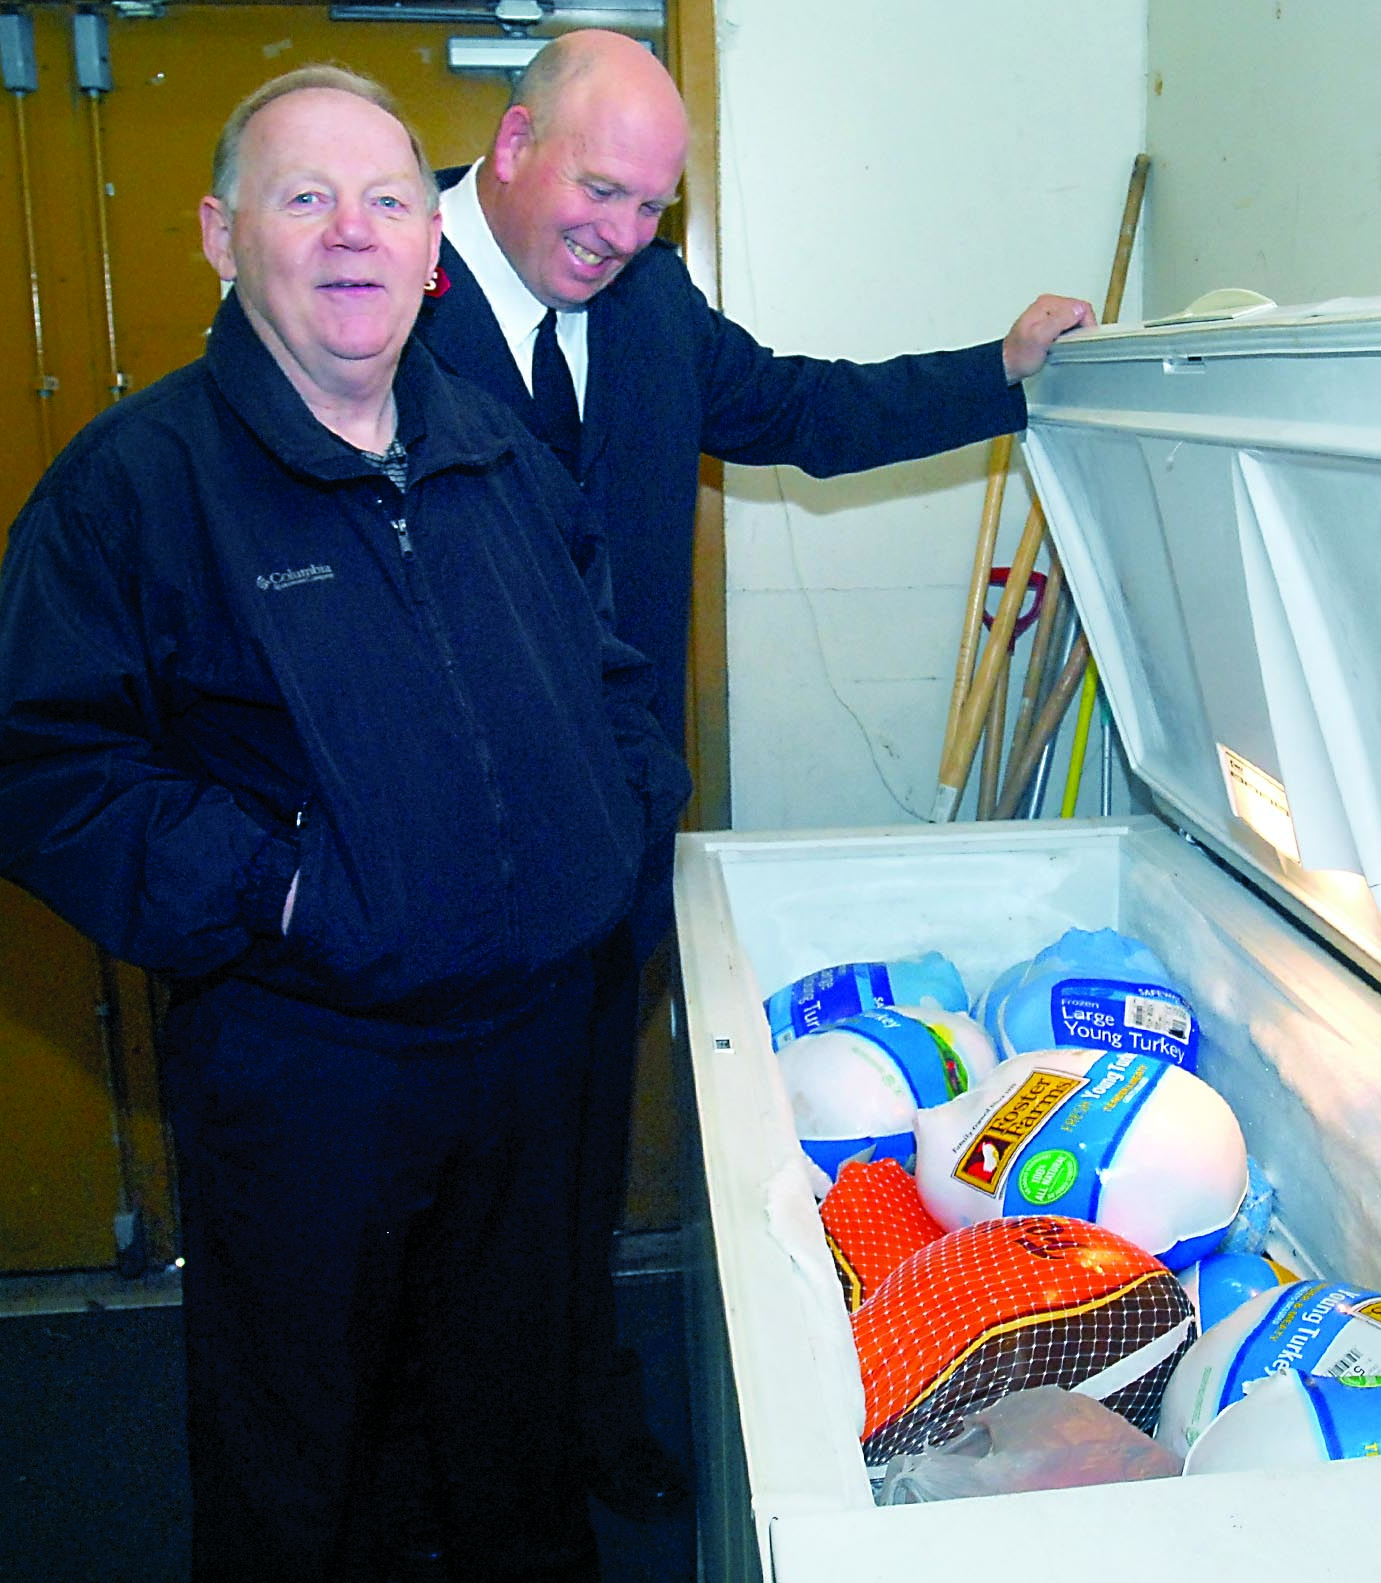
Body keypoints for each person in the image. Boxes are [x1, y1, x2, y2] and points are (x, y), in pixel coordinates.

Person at [0, 66, 684, 1582]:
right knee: (301, 1455)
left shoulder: (501, 456)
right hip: (307, 1071)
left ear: (433, 244)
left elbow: (609, 677)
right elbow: (42, 778)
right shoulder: (130, 492)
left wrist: (608, 825)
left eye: (389, 201)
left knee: (513, 1427)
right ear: (223, 237)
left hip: (534, 1051)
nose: (353, 235)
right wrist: (288, 893)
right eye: (306, 197)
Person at [413, 27, 1096, 1511]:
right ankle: (445, 1480)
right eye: (598, 192)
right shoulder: (385, 296)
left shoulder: (649, 301)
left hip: (609, 849)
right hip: (432, 870)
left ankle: (579, 1417)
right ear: (510, 145)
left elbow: (801, 409)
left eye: (653, 206)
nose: (621, 235)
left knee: (585, 1160)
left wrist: (999, 372)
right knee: (451, 1190)